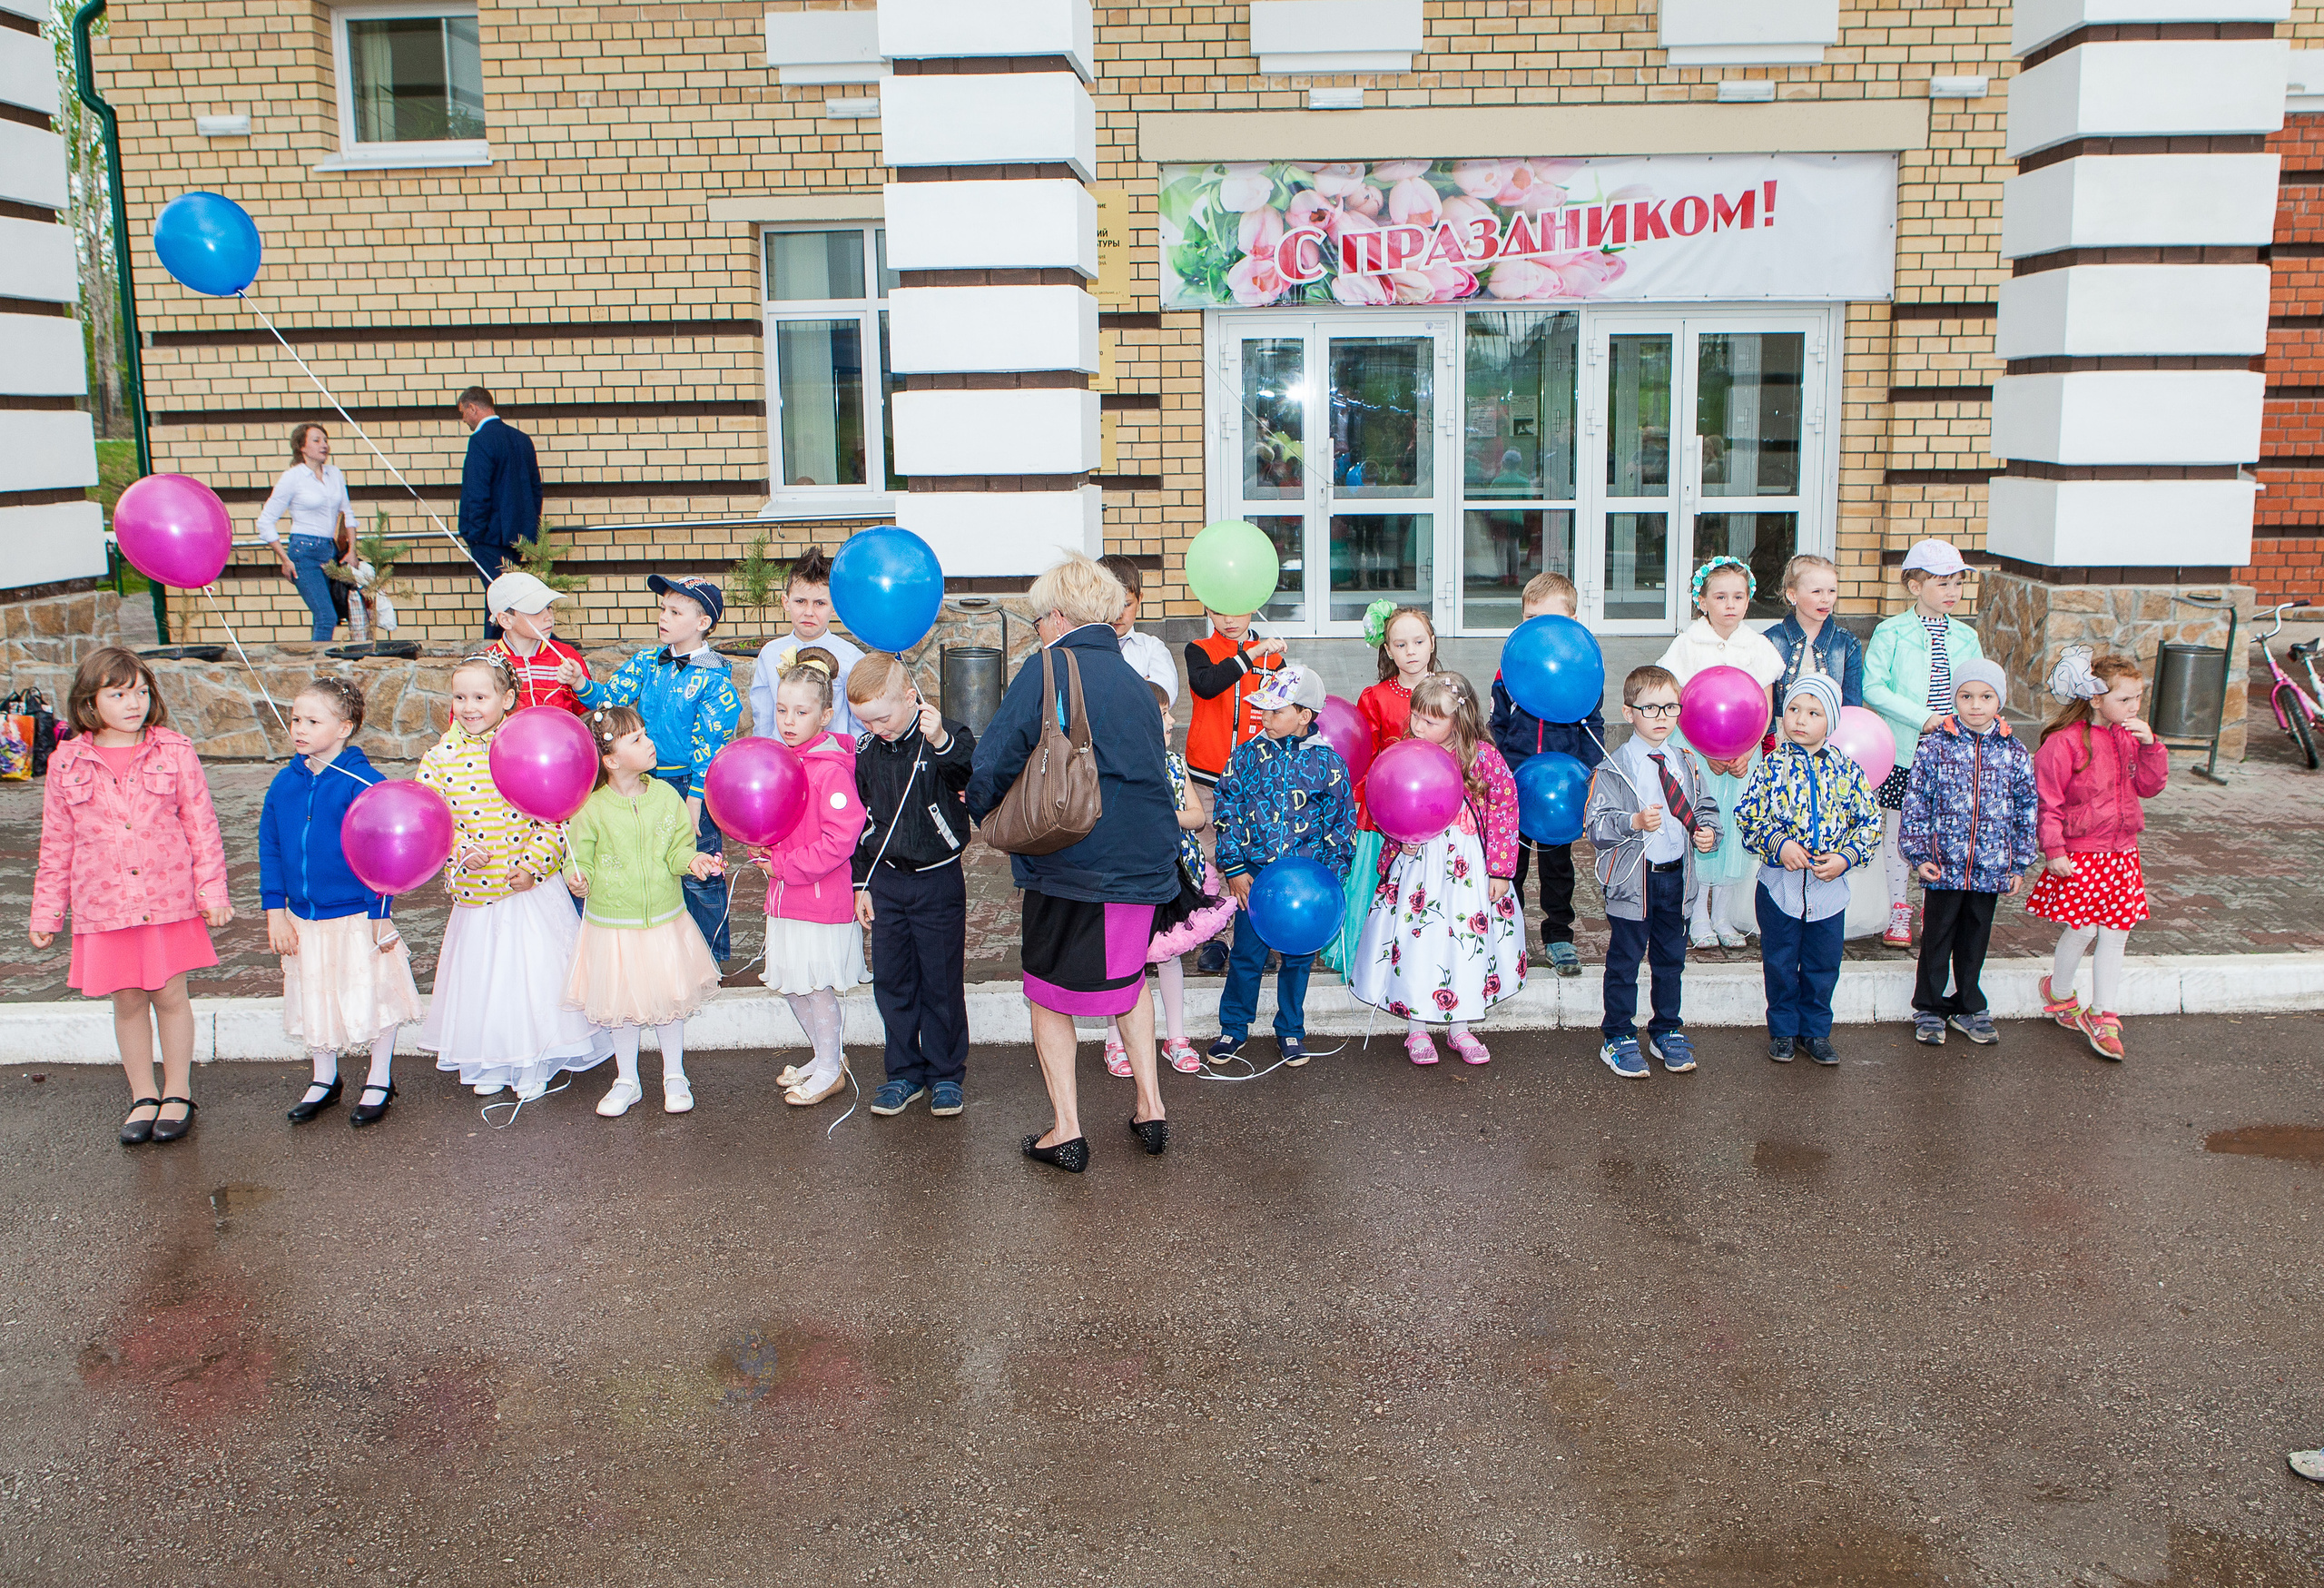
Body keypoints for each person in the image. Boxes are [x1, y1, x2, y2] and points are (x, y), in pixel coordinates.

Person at [966, 552, 1181, 1175]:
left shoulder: (1049, 667)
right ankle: (1150, 1105)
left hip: (1074, 859)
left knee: (1048, 992)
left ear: (1058, 617)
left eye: (1038, 618)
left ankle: (1066, 1129)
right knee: (1128, 980)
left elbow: (999, 753)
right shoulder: (1138, 682)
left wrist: (982, 810)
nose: (1037, 628)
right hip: (1143, 861)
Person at [30, 647, 231, 1145]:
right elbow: (56, 843)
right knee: (127, 999)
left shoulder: (175, 751)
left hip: (168, 898)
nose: (133, 703)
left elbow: (201, 825)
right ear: (89, 701)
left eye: (141, 691)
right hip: (104, 904)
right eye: (118, 694)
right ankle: (144, 1094)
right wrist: (47, 911)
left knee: (169, 993)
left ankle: (178, 1090)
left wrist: (212, 889)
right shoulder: (66, 761)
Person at [417, 652, 612, 1103]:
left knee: (531, 979)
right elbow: (431, 821)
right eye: (460, 696)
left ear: (506, 699)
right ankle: (492, 1058)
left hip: (528, 892)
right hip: (476, 897)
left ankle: (533, 1059)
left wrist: (533, 866)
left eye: (480, 696)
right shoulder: (440, 758)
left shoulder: (528, 745)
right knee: (487, 982)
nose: (469, 706)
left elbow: (554, 818)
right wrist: (460, 852)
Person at [261, 677, 422, 1128]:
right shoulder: (283, 784)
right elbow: (270, 847)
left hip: (356, 914)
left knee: (374, 994)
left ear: (345, 727)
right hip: (303, 917)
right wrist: (276, 912)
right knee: (316, 992)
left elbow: (383, 853)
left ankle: (379, 1076)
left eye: (313, 721)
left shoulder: (363, 783)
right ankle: (325, 1077)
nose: (299, 728)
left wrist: (380, 914)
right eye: (296, 719)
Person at [1350, 670, 1523, 1065]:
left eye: (1432, 720)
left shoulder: (1484, 757)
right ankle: (1417, 1028)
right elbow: (1386, 802)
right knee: (1418, 938)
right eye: (1416, 717)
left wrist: (1500, 869)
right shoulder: (1402, 754)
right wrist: (1398, 842)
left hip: (1470, 866)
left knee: (1464, 939)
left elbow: (1504, 808)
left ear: (1458, 720)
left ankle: (1460, 1027)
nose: (1419, 726)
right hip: (1419, 864)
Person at [566, 576, 742, 960]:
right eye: (662, 609)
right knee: (643, 863)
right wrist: (582, 684)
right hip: (643, 780)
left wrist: (696, 798)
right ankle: (649, 952)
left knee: (699, 870)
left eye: (675, 611)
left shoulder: (715, 678)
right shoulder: (647, 661)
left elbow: (711, 744)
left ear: (703, 623)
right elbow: (610, 702)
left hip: (689, 785)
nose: (663, 617)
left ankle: (709, 959)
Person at [563, 704, 725, 1118]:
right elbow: (577, 857)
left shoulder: (666, 797)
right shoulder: (591, 806)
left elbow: (676, 850)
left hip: (664, 922)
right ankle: (627, 1080)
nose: (649, 742)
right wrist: (575, 878)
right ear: (611, 759)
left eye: (645, 734)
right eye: (636, 739)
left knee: (668, 999)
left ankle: (675, 1074)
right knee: (621, 1007)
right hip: (613, 923)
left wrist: (694, 862)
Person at [847, 651, 976, 1119]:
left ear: (909, 697)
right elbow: (860, 823)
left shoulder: (946, 736)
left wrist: (940, 737)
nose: (876, 729)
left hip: (938, 880)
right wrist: (860, 884)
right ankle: (902, 1072)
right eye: (866, 721)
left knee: (941, 981)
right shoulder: (866, 752)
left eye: (882, 717)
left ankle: (945, 1073)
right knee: (893, 982)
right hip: (886, 882)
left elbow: (969, 775)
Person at [2024, 647, 2169, 1062]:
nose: (2134, 707)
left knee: (2116, 934)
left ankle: (2103, 1014)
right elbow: (2046, 802)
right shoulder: (2064, 742)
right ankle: (2059, 991)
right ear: (2095, 699)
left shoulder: (2131, 736)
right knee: (2085, 929)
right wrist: (2054, 848)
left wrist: (2151, 748)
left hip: (2122, 851)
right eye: (2125, 699)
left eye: (2138, 698)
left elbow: (2149, 787)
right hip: (2082, 852)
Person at [1211, 664, 1354, 1067]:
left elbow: (1340, 827)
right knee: (1246, 955)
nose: (1265, 718)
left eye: (1276, 711)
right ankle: (1234, 1027)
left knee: (1297, 960)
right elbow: (1228, 808)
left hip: (1306, 887)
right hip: (1255, 880)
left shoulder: (1328, 764)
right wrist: (1235, 867)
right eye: (1263, 710)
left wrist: (1328, 882)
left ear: (1304, 716)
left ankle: (1290, 1029)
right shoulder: (1246, 757)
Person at [1736, 674, 1882, 1067]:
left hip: (1828, 890)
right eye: (1794, 709)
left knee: (1823, 963)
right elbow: (1749, 816)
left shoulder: (1847, 770)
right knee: (1780, 960)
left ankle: (1815, 1031)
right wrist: (1778, 844)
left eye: (1813, 712)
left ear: (1830, 722)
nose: (1800, 719)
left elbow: (1869, 822)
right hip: (1779, 887)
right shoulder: (1770, 768)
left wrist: (1847, 857)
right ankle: (1783, 1030)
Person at [1584, 665, 1719, 1080]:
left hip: (1676, 881)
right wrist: (1634, 822)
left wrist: (1708, 832)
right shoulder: (1614, 767)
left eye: (1670, 707)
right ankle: (1618, 1035)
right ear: (1629, 713)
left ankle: (1666, 1029)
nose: (1662, 716)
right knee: (1625, 960)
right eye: (1650, 707)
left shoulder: (1687, 762)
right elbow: (1596, 826)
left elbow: (1705, 807)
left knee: (1670, 961)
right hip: (1632, 883)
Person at [1899, 658, 2039, 1047]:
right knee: (1937, 936)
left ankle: (1968, 1004)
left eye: (1986, 696)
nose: (1976, 705)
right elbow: (1917, 804)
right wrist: (1918, 853)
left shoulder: (2014, 752)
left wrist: (2018, 863)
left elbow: (2027, 808)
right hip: (1943, 867)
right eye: (1966, 696)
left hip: (1990, 868)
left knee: (1975, 937)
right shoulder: (1934, 747)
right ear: (1954, 698)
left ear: (2000, 701)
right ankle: (1928, 1005)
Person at [750, 649, 868, 1108]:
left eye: (801, 712)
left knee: (815, 987)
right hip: (784, 899)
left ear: (825, 713)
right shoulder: (779, 761)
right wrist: (759, 846)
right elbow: (765, 819)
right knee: (792, 983)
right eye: (781, 710)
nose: (788, 721)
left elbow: (841, 840)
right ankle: (823, 1056)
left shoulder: (830, 769)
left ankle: (831, 1068)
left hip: (819, 901)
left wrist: (784, 866)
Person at [1107, 677, 1235, 1079]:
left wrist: (1161, 818)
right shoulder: (1116, 766)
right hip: (1129, 877)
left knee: (1171, 956)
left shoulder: (1175, 765)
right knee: (1124, 961)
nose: (1171, 720)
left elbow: (1197, 817)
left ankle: (1176, 1037)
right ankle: (1116, 1040)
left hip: (1175, 876)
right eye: (1163, 714)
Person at [1657, 557, 1784, 950]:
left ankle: (1724, 915)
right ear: (1702, 601)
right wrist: (1703, 749)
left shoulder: (1757, 646)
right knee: (1702, 828)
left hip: (1743, 758)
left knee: (1735, 833)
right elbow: (1679, 702)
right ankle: (1697, 916)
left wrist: (1746, 749)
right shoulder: (1687, 645)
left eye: (1739, 596)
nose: (1731, 605)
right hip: (1696, 753)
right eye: (1721, 596)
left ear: (1749, 600)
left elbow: (1764, 705)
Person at [1864, 537, 1984, 948]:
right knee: (1898, 832)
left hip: (1950, 751)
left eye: (1957, 583)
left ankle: (1939, 909)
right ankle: (1899, 908)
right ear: (1915, 587)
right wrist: (1923, 718)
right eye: (1942, 583)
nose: (1952, 592)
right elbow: (1874, 687)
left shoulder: (1966, 637)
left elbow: (1976, 688)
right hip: (1902, 750)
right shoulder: (1891, 632)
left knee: (1942, 830)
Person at [1489, 572, 1605, 979]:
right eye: (1529, 618)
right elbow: (1498, 724)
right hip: (1517, 784)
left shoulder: (1582, 669)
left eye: (1548, 619)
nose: (1536, 629)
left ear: (1572, 620)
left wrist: (1589, 772)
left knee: (1558, 865)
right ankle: (1509, 933)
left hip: (1562, 787)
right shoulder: (1511, 669)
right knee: (1510, 864)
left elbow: (1594, 725)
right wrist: (1500, 769)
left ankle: (1559, 935)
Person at [1185, 601, 1285, 972]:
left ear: (1253, 606)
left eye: (1237, 609)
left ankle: (1255, 936)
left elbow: (1285, 709)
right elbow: (1207, 685)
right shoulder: (1199, 649)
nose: (1229, 617)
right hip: (1208, 776)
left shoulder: (1274, 658)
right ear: (1208, 611)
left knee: (1255, 858)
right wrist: (1251, 653)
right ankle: (1214, 936)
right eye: (1219, 610)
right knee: (1212, 857)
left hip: (1256, 779)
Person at [254, 422, 359, 643]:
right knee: (326, 617)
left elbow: (347, 513)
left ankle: (318, 664)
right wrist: (284, 559)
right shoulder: (293, 477)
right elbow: (265, 521)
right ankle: (319, 669)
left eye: (325, 440)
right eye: (316, 440)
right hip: (304, 551)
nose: (324, 445)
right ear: (301, 447)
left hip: (329, 551)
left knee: (334, 613)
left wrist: (352, 550)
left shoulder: (335, 474)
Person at [752, 546, 865, 740]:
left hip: (830, 761)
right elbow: (763, 716)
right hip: (782, 761)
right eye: (800, 601)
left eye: (820, 603)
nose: (809, 612)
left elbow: (859, 724)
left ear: (835, 607)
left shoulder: (851, 658)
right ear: (786, 602)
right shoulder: (770, 654)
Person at [456, 387, 543, 640]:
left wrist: (474, 532)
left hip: (488, 536)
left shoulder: (481, 440)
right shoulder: (521, 439)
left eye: (463, 413)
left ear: (473, 408)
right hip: (517, 537)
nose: (464, 420)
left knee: (501, 599)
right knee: (500, 596)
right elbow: (535, 489)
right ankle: (498, 648)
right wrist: (528, 530)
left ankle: (502, 649)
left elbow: (477, 491)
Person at [1767, 553, 1864, 734]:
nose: (1826, 599)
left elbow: (1852, 708)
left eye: (1832, 591)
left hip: (1828, 743)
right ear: (1792, 594)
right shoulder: (1770, 641)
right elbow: (1764, 705)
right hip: (1780, 743)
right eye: (1816, 591)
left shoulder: (1847, 645)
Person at [486, 570, 590, 714]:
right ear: (506, 619)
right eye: (536, 610)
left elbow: (587, 713)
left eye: (549, 608)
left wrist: (579, 685)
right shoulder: (487, 664)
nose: (548, 617)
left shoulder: (565, 657)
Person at [1099, 553, 1178, 705]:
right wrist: (1141, 685)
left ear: (1139, 599)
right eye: (1110, 605)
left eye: (1126, 605)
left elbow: (1163, 696)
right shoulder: (1084, 649)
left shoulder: (1152, 648)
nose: (1118, 614)